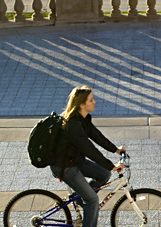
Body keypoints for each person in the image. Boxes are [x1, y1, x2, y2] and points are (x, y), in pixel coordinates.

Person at [51, 85, 126, 227]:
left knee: (104, 174)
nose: (94, 102)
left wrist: (115, 150)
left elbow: (97, 136)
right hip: (64, 166)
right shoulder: (72, 124)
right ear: (81, 104)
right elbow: (89, 149)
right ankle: (85, 200)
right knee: (92, 200)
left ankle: (80, 198)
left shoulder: (83, 118)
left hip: (74, 160)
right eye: (91, 100)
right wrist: (112, 165)